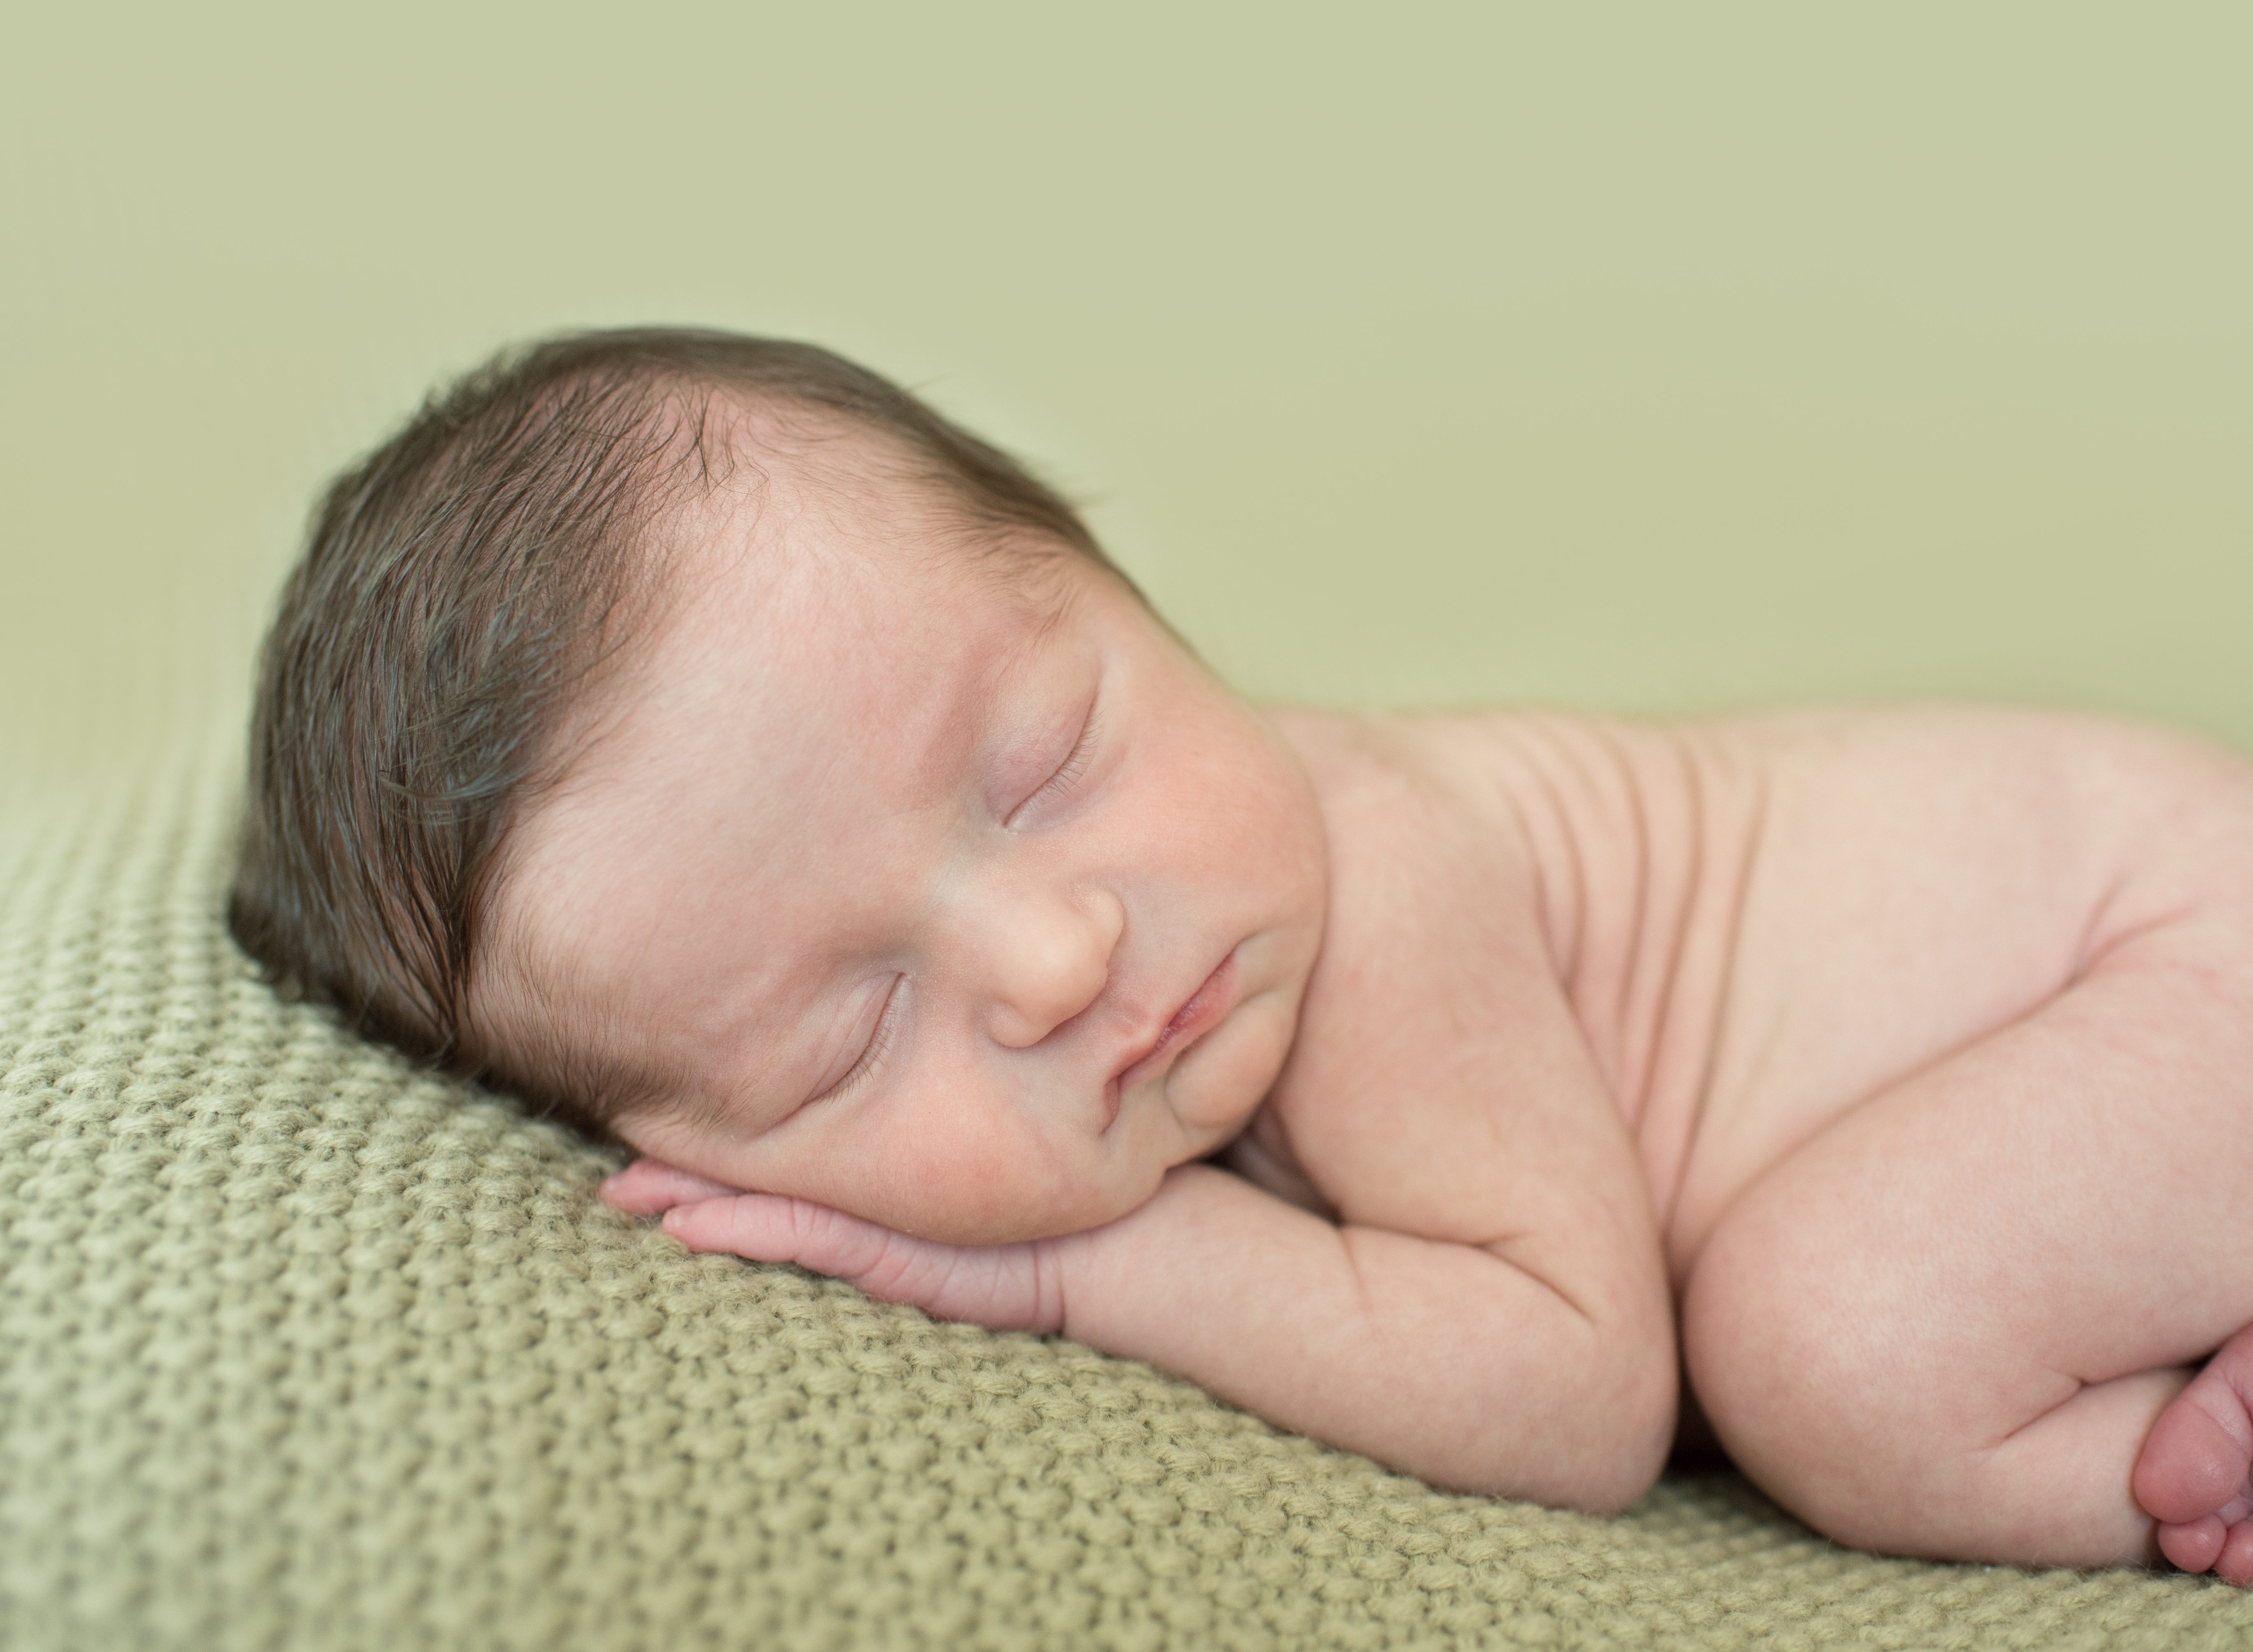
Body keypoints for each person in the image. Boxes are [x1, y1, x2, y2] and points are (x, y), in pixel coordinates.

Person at [232, 327, 2253, 1580]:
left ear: (1128, 590)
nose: (1052, 953)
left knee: (1840, 1339)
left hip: (2171, 931)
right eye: (855, 1034)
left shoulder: (1377, 875)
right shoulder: (1180, 930)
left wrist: (1074, 1259)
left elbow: (1574, 1386)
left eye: (1046, 764)